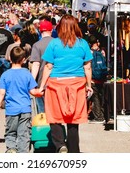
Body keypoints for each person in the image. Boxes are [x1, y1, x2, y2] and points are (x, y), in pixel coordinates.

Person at [38, 14, 93, 153]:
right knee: (73, 120)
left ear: (60, 27)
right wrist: (89, 85)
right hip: (77, 83)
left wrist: (42, 86)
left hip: (56, 83)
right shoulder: (83, 44)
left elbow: (48, 66)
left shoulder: (54, 43)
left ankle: (60, 144)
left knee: (54, 115)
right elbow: (87, 67)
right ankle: (74, 150)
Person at [0, 46, 40, 153]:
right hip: (25, 109)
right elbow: (33, 91)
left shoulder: (5, 75)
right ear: (23, 60)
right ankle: (23, 154)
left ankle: (12, 149)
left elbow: (1, 93)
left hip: (11, 110)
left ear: (9, 57)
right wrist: (40, 93)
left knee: (11, 132)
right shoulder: (27, 73)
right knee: (24, 134)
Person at [29, 20, 53, 113]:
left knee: (42, 111)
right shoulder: (58, 43)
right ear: (51, 30)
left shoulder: (37, 45)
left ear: (40, 30)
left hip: (41, 81)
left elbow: (36, 64)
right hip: (57, 79)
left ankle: (44, 126)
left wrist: (31, 82)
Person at [88, 35, 108, 124]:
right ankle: (103, 115)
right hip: (102, 78)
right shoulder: (102, 52)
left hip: (93, 79)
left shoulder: (89, 53)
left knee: (95, 98)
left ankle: (98, 117)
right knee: (102, 97)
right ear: (97, 42)